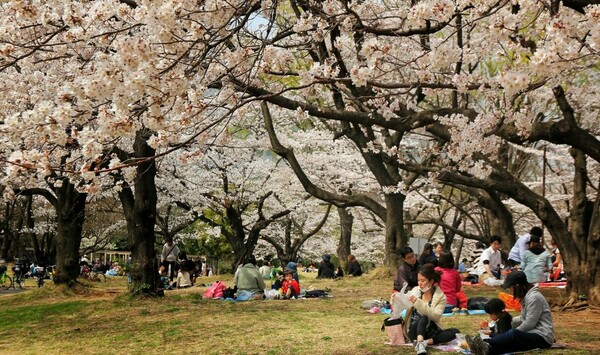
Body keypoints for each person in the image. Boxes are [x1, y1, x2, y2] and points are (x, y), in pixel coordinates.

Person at [466, 270, 555, 355]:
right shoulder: (527, 298)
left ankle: (485, 343)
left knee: (513, 334)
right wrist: (506, 321)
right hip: (532, 334)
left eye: (510, 288)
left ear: (517, 286)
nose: (510, 291)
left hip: (542, 337)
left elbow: (529, 323)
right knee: (507, 344)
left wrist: (509, 335)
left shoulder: (534, 298)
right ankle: (486, 350)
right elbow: (523, 318)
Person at [405, 264, 460, 355]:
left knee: (455, 332)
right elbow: (404, 303)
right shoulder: (415, 291)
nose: (420, 283)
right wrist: (397, 298)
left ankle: (423, 343)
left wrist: (418, 303)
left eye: (423, 281)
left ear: (431, 282)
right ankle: (420, 342)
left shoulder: (440, 297)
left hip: (431, 331)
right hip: (415, 331)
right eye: (418, 280)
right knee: (423, 318)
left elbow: (436, 317)